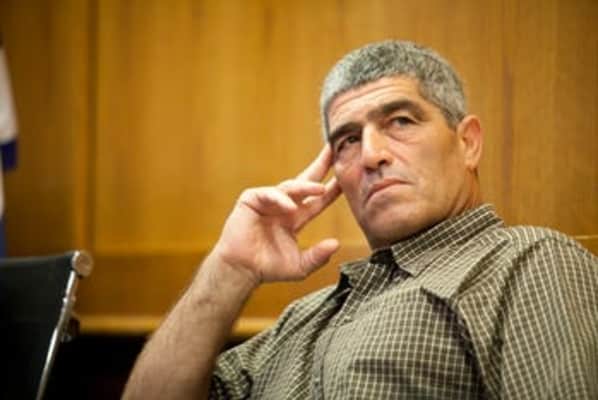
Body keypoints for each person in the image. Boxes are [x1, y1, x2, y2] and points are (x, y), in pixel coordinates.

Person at [123, 40, 598, 399]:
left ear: (468, 143)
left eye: (401, 121)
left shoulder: (529, 263)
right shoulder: (305, 318)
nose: (371, 155)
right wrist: (230, 268)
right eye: (348, 140)